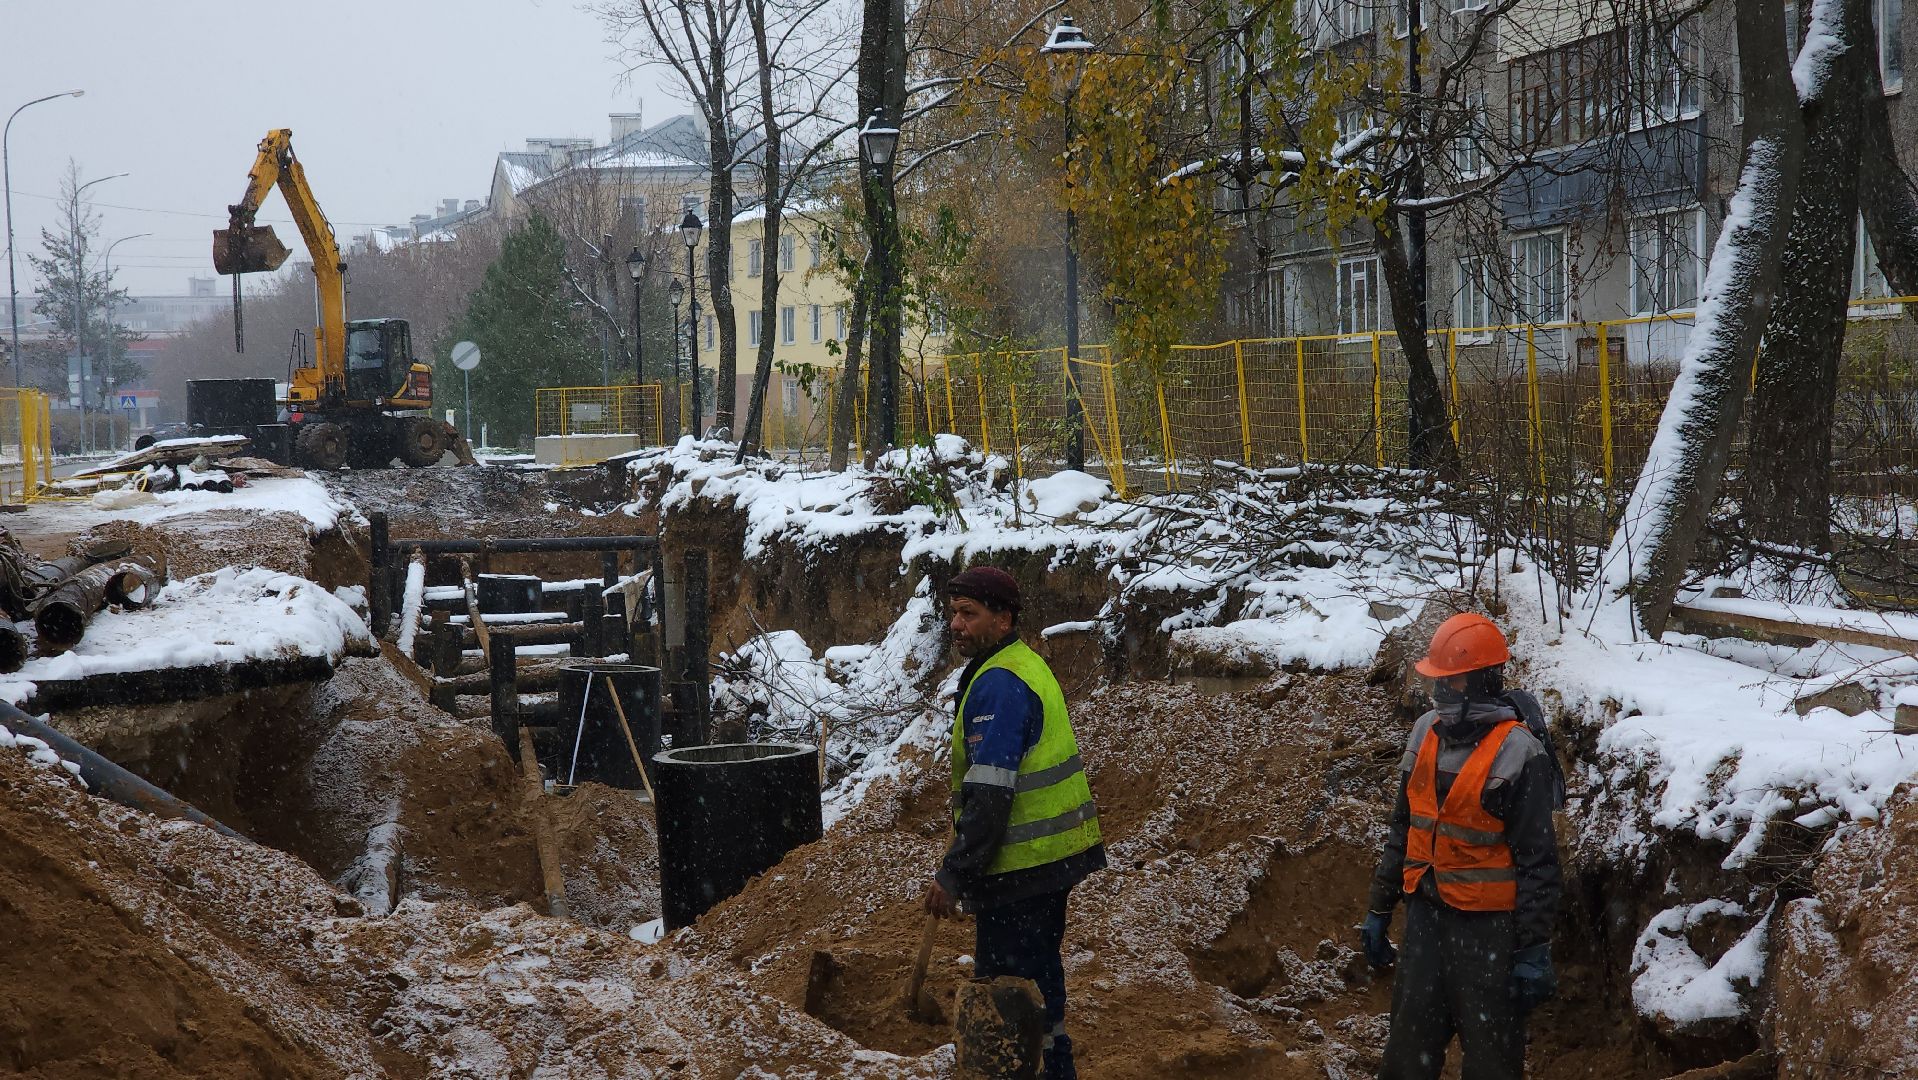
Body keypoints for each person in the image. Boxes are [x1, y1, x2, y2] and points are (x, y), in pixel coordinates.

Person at [1362, 612, 1562, 1080]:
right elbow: (1403, 829)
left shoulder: (1519, 752)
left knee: (1492, 1064)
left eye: (1450, 681)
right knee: (1406, 1058)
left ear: (1480, 681)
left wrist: (1532, 948)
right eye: (1439, 680)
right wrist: (1379, 906)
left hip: (1490, 934)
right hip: (1426, 921)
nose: (1440, 692)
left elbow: (1538, 862)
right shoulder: (1424, 732)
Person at [926, 565, 1106, 1079]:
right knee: (1039, 979)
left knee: (1007, 992)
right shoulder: (1020, 664)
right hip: (1048, 861)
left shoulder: (1000, 685)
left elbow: (990, 795)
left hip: (1021, 869)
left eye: (969, 614)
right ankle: (1055, 1067)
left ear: (1002, 619)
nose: (956, 624)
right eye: (953, 613)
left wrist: (954, 873)